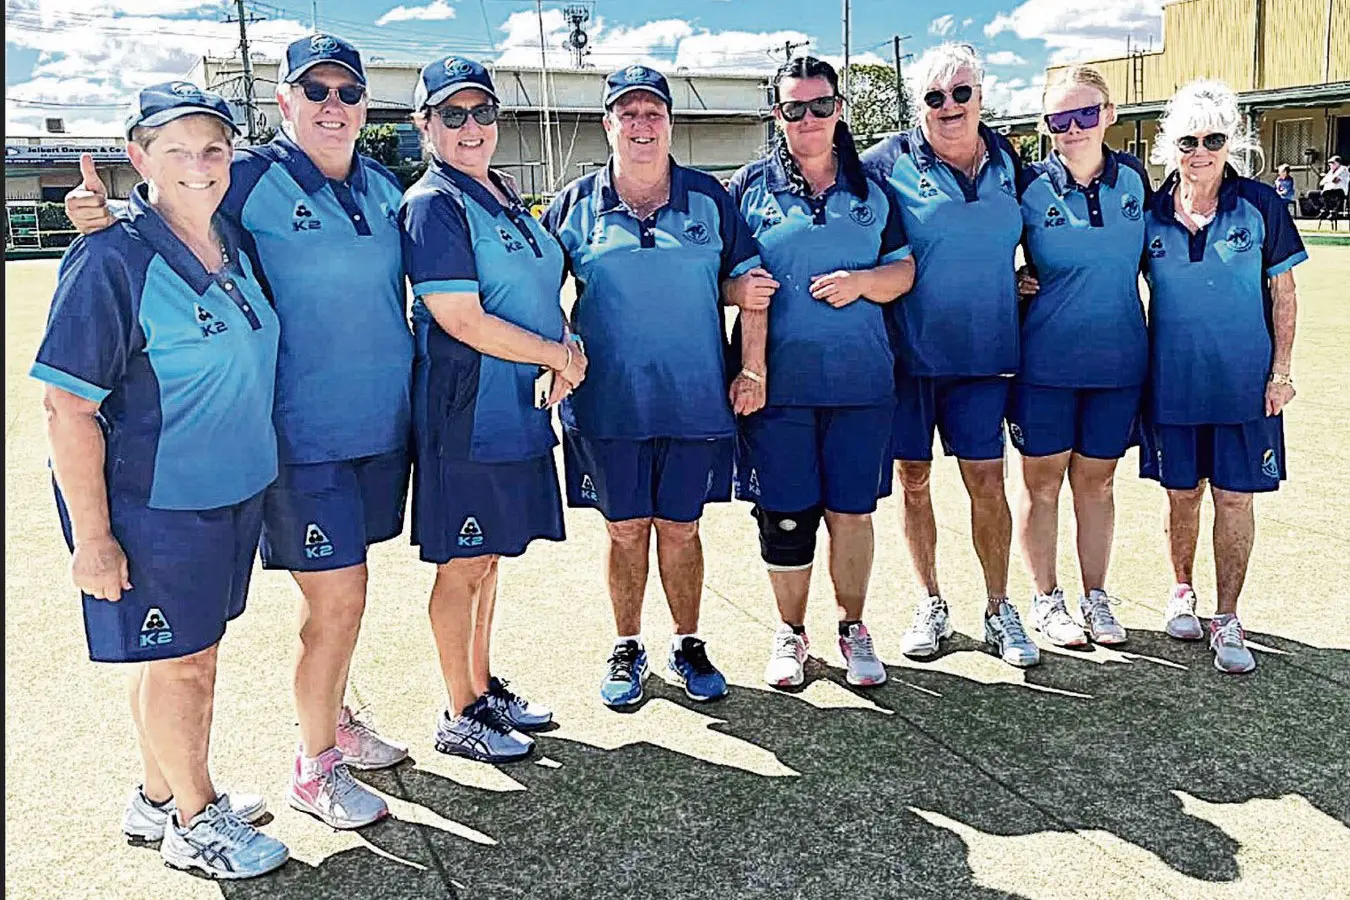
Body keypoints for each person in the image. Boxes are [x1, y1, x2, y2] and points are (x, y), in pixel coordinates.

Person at [66, 33, 411, 829]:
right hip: (291, 439)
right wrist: (106, 212)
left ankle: (312, 731)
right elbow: (177, 207)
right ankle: (314, 763)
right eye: (313, 92)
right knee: (336, 600)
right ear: (284, 102)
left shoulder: (387, 186)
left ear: (365, 105)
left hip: (375, 431)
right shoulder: (248, 174)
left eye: (346, 93)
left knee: (342, 607)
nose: (332, 106)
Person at [33, 82, 288, 878]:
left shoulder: (231, 241)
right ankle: (195, 818)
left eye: (213, 148)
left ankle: (157, 794)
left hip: (229, 492)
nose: (199, 164)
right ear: (138, 157)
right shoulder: (112, 256)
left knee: (179, 656)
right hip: (159, 504)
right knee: (185, 665)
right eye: (175, 149)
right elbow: (65, 409)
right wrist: (95, 541)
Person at [542, 65, 776, 707]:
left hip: (694, 400)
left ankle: (688, 641)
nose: (642, 125)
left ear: (670, 122)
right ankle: (628, 645)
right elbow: (540, 289)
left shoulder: (709, 198)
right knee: (623, 530)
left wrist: (751, 369)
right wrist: (557, 351)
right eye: (628, 113)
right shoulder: (575, 202)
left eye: (654, 113)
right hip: (608, 404)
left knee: (680, 527)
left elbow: (751, 287)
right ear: (607, 124)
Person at [401, 56, 584, 761]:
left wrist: (566, 348)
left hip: (518, 409)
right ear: (425, 125)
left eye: (482, 112)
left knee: (492, 557)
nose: (471, 127)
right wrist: (556, 356)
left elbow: (538, 290)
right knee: (464, 562)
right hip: (466, 410)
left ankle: (482, 688)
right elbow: (463, 319)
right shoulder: (432, 204)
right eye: (452, 114)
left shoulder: (502, 193)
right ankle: (459, 710)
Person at [727, 56, 915, 689]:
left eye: (819, 105)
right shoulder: (749, 188)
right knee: (786, 514)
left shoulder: (872, 190)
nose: (807, 119)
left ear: (840, 110)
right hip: (780, 390)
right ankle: (792, 632)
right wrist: (742, 318)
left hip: (862, 385)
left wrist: (863, 281)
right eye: (792, 109)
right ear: (777, 117)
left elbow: (904, 272)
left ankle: (852, 627)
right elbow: (722, 278)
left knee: (852, 512)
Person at [861, 42, 1039, 668]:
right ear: (919, 106)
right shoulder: (884, 162)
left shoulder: (1010, 158)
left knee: (987, 481)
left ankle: (998, 606)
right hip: (908, 357)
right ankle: (929, 600)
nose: (950, 106)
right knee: (913, 481)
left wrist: (1029, 275)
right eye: (935, 97)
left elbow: (1036, 230)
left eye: (961, 92)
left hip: (985, 356)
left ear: (981, 96)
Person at [1140, 79, 1306, 674]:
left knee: (1235, 500)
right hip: (1172, 386)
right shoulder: (1150, 212)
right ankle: (1181, 589)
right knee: (1182, 495)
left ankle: (1227, 614)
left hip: (1244, 388)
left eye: (1214, 137)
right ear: (1169, 145)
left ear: (1231, 141)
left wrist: (1280, 372)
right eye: (1189, 139)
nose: (1201, 150)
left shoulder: (1261, 203)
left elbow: (1283, 292)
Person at [1010, 66, 1149, 649]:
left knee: (1098, 485)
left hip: (1119, 363)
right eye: (1059, 119)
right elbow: (991, 255)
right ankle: (1047, 600)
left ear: (1109, 115)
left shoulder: (1138, 182)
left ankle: (1096, 596)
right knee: (1041, 487)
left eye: (1084, 115)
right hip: (1045, 364)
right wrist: (1016, 278)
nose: (1072, 129)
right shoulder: (1027, 184)